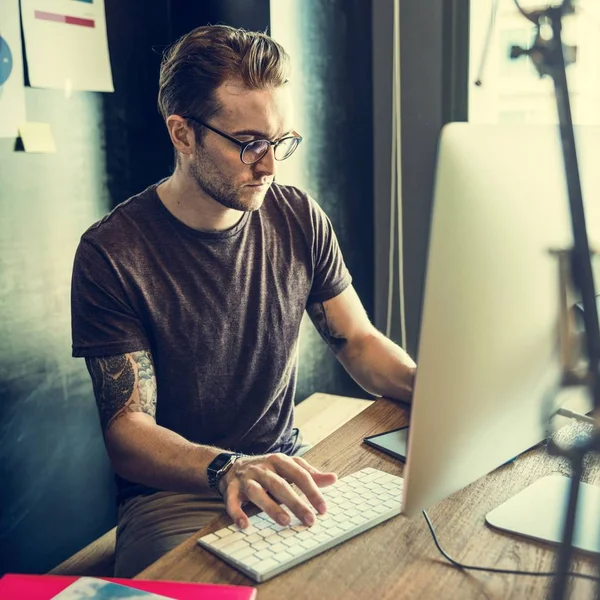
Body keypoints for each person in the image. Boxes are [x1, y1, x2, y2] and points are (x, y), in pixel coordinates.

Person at [71, 24, 416, 578]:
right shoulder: (111, 253)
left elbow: (358, 340)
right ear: (183, 134)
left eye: (280, 142)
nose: (271, 165)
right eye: (250, 143)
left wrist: (433, 392)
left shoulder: (299, 216)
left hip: (287, 469)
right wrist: (227, 467)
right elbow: (128, 433)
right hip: (174, 495)